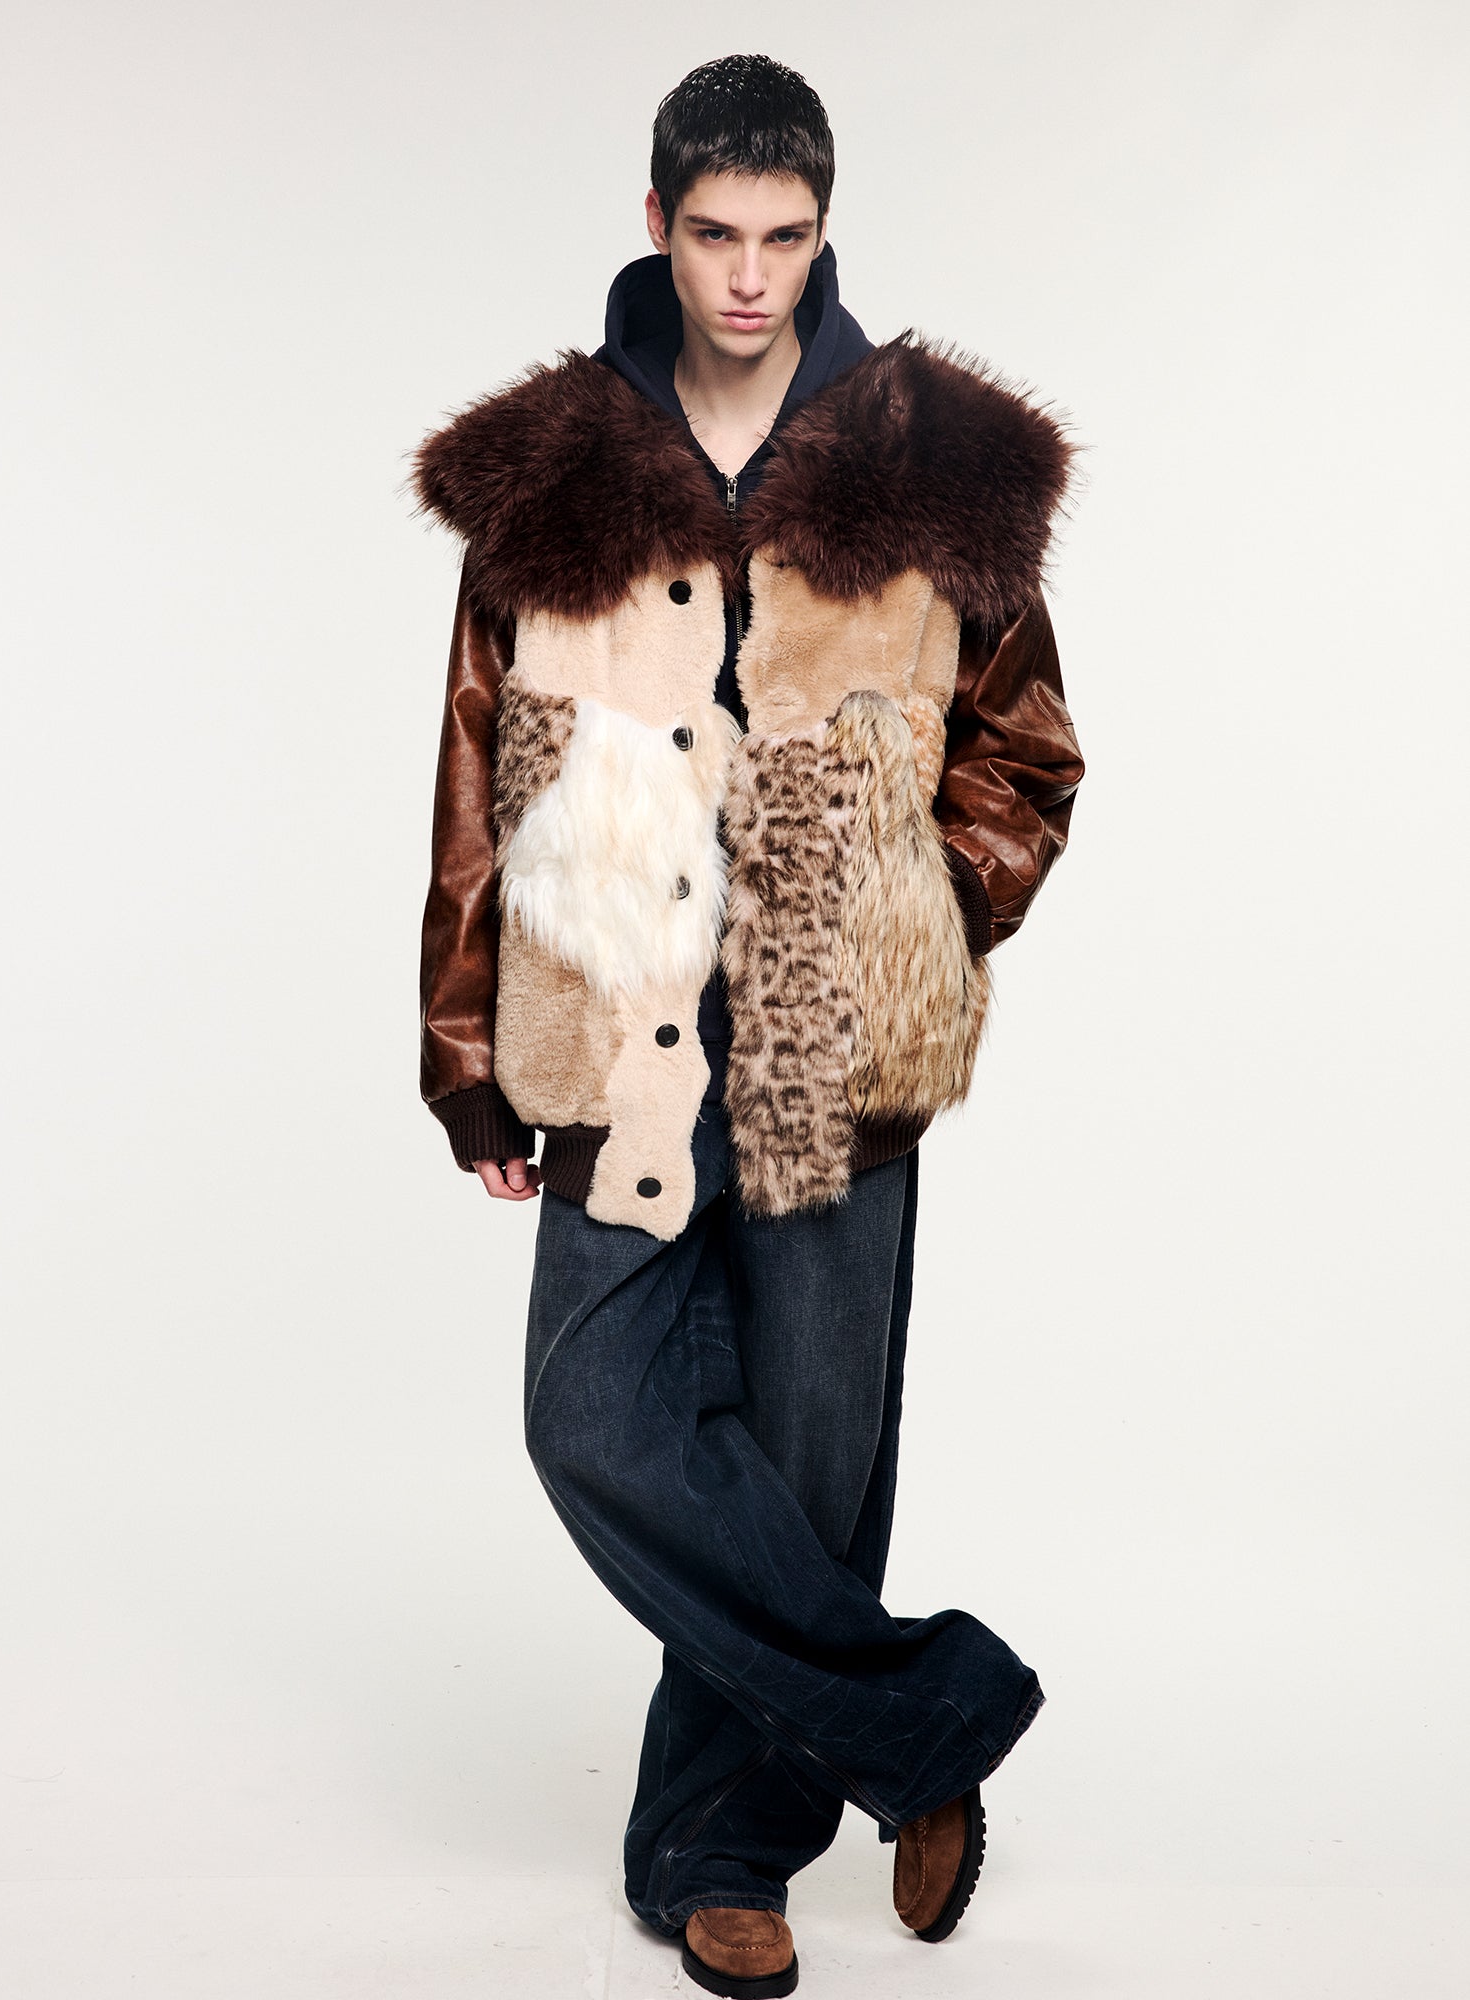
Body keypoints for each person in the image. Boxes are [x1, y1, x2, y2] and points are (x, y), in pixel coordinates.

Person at [409, 52, 1084, 1999]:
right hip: (613, 1017)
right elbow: (471, 767)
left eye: (785, 236)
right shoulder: (550, 468)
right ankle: (928, 1722)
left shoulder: (934, 464)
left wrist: (916, 913)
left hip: (824, 1038)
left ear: (824, 230)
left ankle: (722, 1854)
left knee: (803, 1462)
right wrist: (464, 1049)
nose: (748, 275)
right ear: (657, 223)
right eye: (715, 232)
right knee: (592, 1419)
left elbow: (1028, 754)